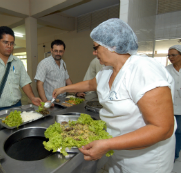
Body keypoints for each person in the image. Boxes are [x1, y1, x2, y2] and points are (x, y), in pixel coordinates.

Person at [53, 18, 176, 173]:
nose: (93, 52)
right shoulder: (107, 71)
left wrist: (107, 144)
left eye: (95, 47)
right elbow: (91, 84)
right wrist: (64, 89)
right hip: (117, 151)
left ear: (112, 46)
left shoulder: (143, 70)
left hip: (145, 160)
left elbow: (163, 128)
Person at [0, 26, 42, 123]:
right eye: (5, 42)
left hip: (18, 106)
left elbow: (25, 82)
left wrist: (32, 98)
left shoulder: (17, 62)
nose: (9, 46)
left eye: (12, 43)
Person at [166, 45, 181, 161]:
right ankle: (169, 155)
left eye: (173, 55)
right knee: (169, 132)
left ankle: (175, 155)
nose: (170, 57)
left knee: (179, 132)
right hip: (168, 106)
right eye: (169, 55)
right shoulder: (166, 70)